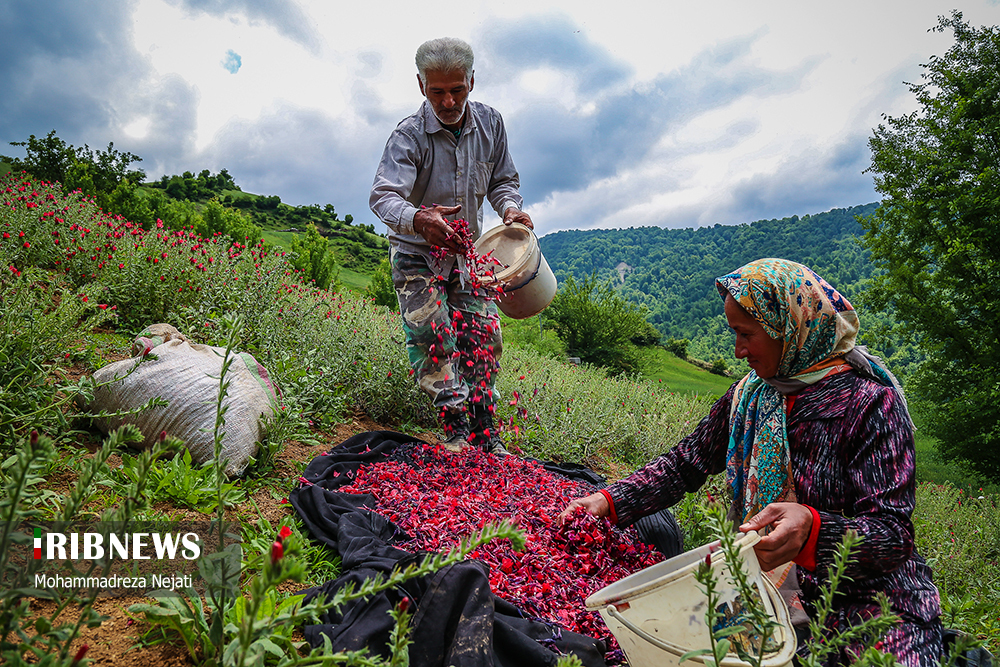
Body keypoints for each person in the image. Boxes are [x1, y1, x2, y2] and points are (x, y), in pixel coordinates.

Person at [558, 258, 942, 666]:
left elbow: (892, 533)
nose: (739, 351)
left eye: (746, 334)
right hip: (760, 585)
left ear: (788, 330)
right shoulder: (750, 395)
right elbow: (685, 463)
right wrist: (608, 502)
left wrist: (813, 528)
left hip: (867, 598)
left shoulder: (868, 404)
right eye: (733, 333)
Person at [370, 37, 532, 454]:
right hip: (417, 254)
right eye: (437, 91)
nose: (447, 101)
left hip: (468, 253)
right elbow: (383, 196)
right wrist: (420, 218)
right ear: (421, 86)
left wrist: (510, 210)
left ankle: (484, 431)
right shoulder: (409, 136)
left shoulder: (491, 124)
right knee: (433, 333)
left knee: (484, 337)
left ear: (472, 82)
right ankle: (456, 427)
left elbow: (502, 181)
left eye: (457, 90)